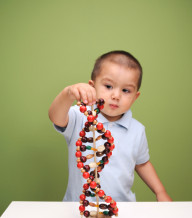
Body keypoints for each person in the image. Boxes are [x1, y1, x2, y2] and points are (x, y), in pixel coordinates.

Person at [48, 50, 172, 202]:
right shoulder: (81, 117)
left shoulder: (137, 130)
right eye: (108, 86)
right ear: (92, 87)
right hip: (80, 209)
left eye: (126, 90)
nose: (116, 96)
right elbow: (55, 117)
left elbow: (142, 163)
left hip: (122, 209)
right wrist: (68, 94)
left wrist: (160, 191)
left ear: (135, 97)